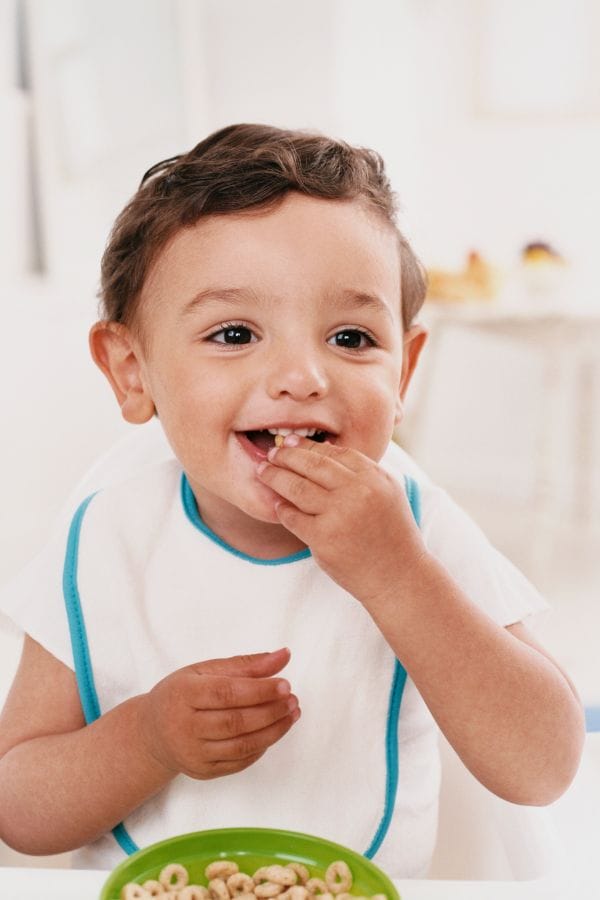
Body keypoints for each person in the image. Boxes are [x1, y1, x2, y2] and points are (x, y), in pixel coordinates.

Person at [0, 124, 584, 877]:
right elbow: (16, 810)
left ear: (402, 375)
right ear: (131, 371)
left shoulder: (418, 528)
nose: (303, 376)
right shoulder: (109, 536)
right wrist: (146, 740)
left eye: (350, 337)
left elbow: (544, 769)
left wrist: (397, 573)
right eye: (235, 332)